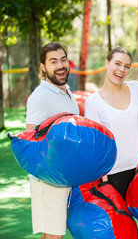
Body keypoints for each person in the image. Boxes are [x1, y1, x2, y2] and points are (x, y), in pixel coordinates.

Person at [84, 47, 138, 239]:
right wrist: (104, 181)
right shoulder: (93, 103)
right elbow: (96, 145)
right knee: (124, 231)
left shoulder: (136, 88)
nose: (122, 70)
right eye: (117, 64)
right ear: (106, 63)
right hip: (114, 175)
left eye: (127, 66)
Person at [25, 42, 80, 238]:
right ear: (43, 67)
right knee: (54, 234)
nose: (60, 66)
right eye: (53, 61)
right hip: (50, 176)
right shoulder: (40, 97)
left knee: (54, 232)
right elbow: (30, 139)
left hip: (67, 174)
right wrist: (48, 173)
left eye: (63, 60)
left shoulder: (66, 91)